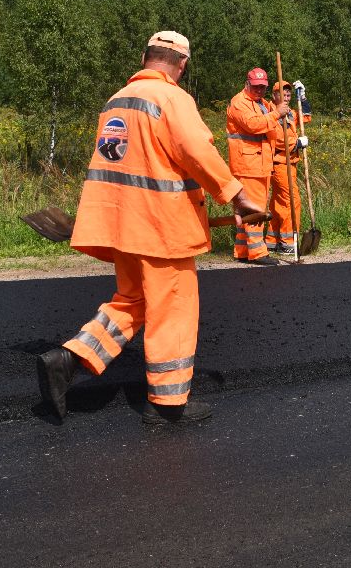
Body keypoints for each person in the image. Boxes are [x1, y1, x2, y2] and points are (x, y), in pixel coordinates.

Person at [35, 30, 265, 427]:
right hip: (162, 228)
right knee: (174, 309)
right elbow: (196, 152)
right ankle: (167, 403)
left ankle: (68, 359)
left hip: (120, 225)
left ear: (145, 58)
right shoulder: (172, 99)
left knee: (133, 302)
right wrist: (238, 196)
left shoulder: (116, 102)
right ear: (182, 64)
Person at [226, 67, 291, 264]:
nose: (259, 90)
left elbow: (274, 127)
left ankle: (243, 250)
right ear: (247, 84)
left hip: (260, 163)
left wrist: (281, 111)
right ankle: (258, 253)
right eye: (256, 87)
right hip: (248, 165)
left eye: (263, 87)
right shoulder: (239, 103)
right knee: (255, 209)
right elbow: (253, 125)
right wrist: (276, 114)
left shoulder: (262, 103)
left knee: (247, 211)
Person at [268, 79, 311, 255]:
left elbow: (305, 117)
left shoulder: (290, 113)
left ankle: (272, 240)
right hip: (279, 163)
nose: (286, 97)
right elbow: (278, 139)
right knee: (291, 201)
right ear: (274, 95)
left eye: (288, 94)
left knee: (279, 202)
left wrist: (303, 98)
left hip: (290, 163)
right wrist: (297, 143)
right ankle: (287, 242)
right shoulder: (272, 112)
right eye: (282, 94)